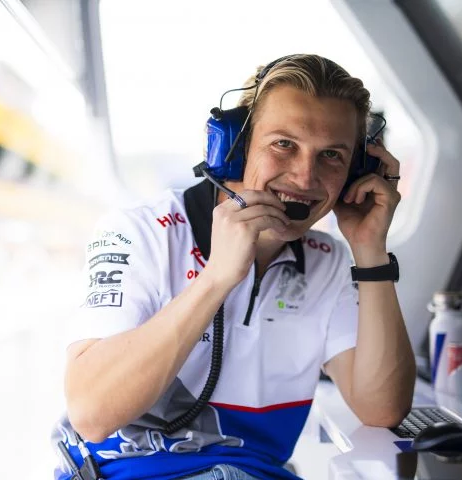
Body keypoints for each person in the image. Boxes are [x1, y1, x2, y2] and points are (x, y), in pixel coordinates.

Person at [52, 54, 416, 480]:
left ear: (356, 172)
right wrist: (217, 278)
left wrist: (370, 250)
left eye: (332, 156)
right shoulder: (140, 231)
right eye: (284, 144)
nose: (304, 177)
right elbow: (91, 414)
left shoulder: (328, 261)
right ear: (235, 148)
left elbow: (382, 407)